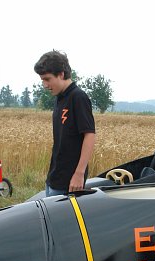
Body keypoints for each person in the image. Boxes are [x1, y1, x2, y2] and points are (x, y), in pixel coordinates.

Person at [34, 50, 96, 196]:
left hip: (70, 181)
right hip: (54, 176)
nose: (45, 85)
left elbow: (89, 135)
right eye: (42, 80)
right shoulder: (59, 98)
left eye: (47, 79)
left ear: (61, 74)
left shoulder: (78, 97)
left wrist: (79, 174)